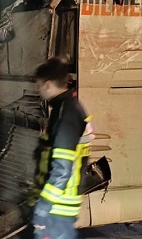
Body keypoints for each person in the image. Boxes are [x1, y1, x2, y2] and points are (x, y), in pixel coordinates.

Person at [31, 57, 92, 239]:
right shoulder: (68, 107)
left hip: (56, 210)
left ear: (48, 84)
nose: (38, 89)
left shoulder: (66, 115)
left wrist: (42, 208)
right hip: (60, 208)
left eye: (39, 84)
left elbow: (62, 170)